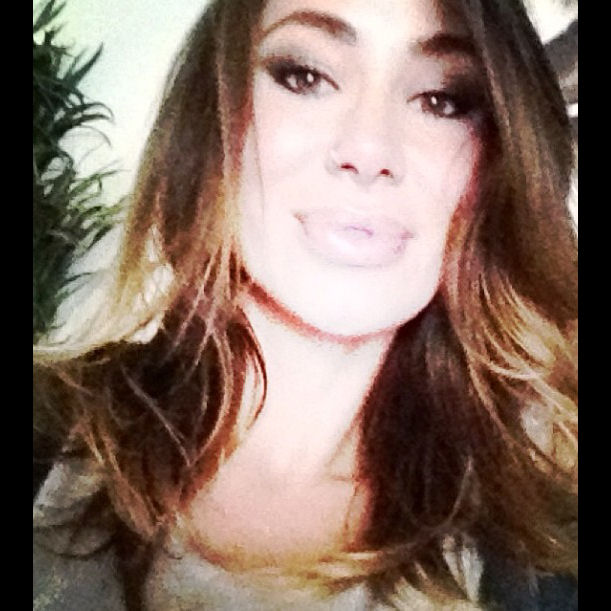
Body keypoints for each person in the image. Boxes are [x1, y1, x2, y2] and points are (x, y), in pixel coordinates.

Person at [33, 0, 578, 609]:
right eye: (304, 76)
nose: (369, 151)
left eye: (442, 100)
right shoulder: (49, 430)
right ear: (213, 120)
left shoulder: (542, 550)